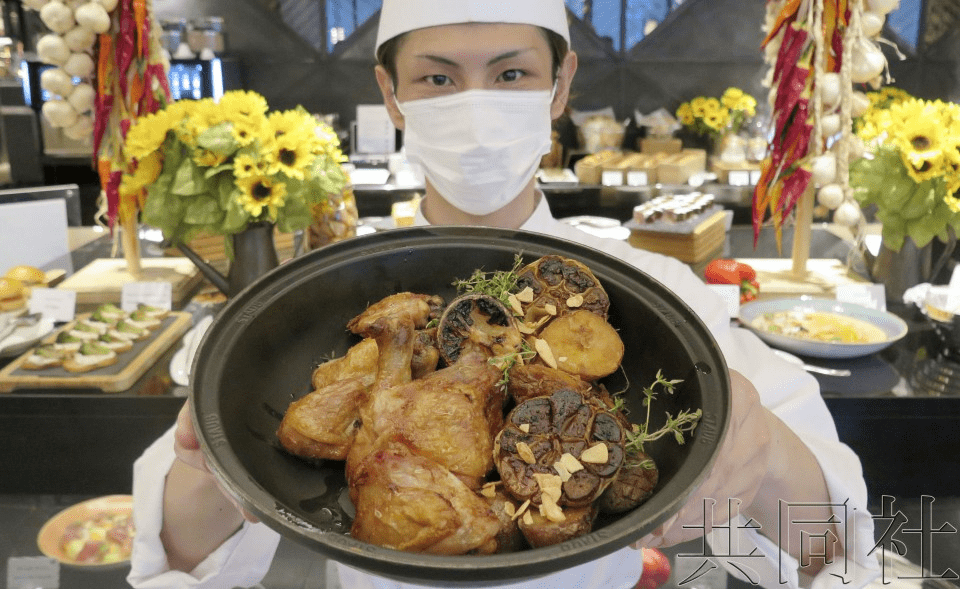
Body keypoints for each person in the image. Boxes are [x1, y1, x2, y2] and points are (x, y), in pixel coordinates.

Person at [128, 1, 881, 588]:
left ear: (561, 85)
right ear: (390, 94)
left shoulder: (662, 290)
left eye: (511, 73)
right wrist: (210, 474)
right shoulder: (329, 296)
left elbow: (834, 550)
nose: (476, 103)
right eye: (438, 77)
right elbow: (178, 559)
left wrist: (763, 451)